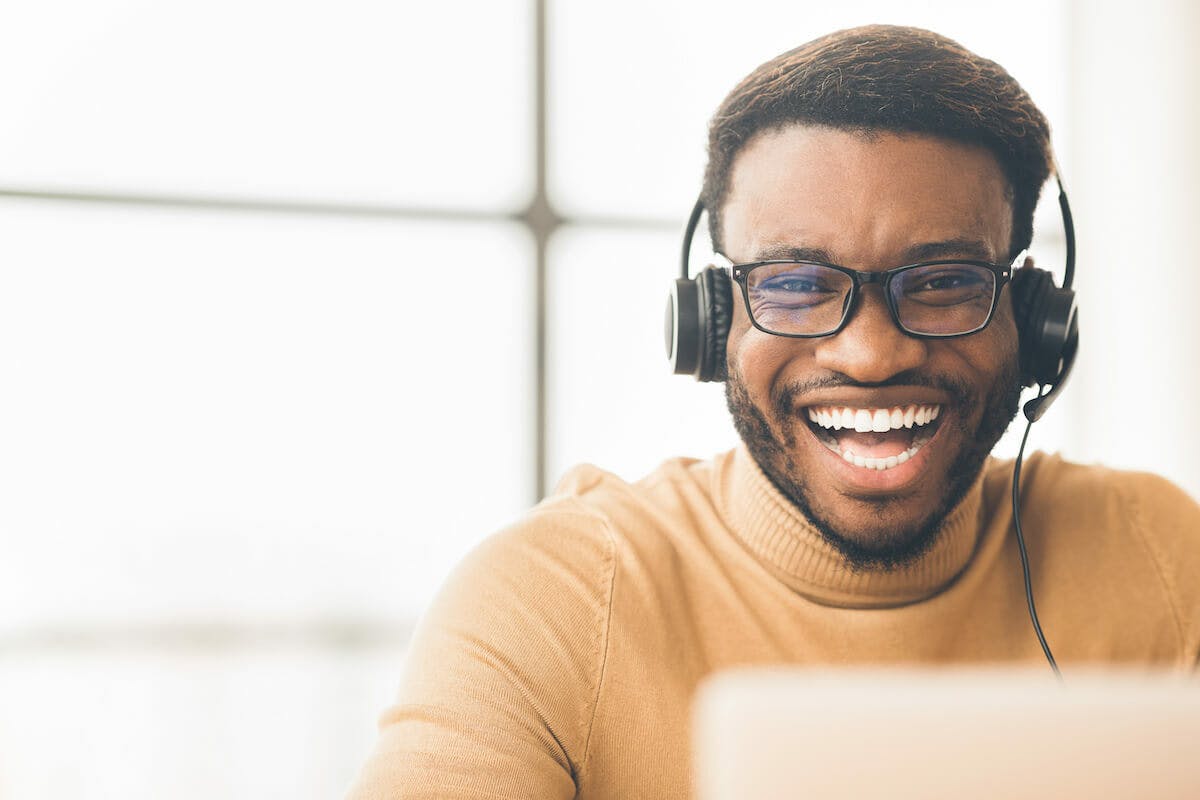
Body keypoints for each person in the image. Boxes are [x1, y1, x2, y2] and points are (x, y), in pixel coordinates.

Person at [347, 25, 1200, 800]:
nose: (870, 355)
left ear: (1035, 320)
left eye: (944, 283)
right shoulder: (548, 600)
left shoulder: (1159, 554)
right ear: (712, 319)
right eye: (794, 283)